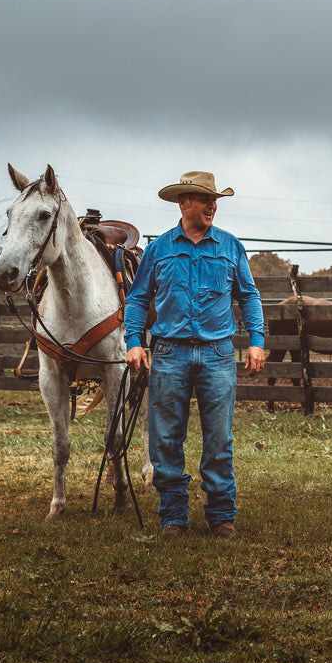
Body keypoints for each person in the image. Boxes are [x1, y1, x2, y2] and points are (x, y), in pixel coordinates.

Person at [125, 171, 266, 538]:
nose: (213, 206)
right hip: (170, 354)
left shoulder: (230, 246)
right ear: (183, 202)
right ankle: (173, 516)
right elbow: (138, 298)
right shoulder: (159, 249)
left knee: (218, 437)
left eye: (215, 200)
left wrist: (256, 340)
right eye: (206, 200)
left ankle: (221, 515)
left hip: (218, 353)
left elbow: (248, 295)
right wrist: (133, 342)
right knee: (166, 437)